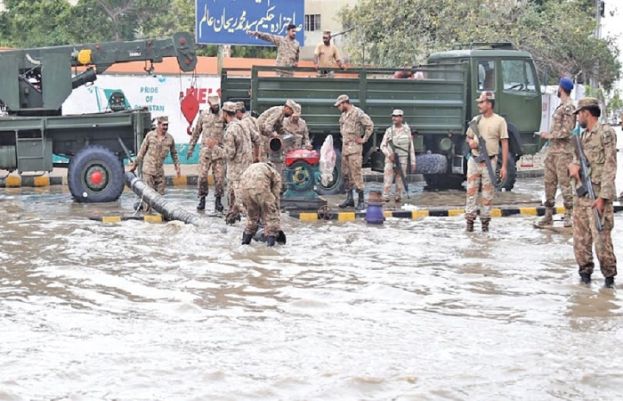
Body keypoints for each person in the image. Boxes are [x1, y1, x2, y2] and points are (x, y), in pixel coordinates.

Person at [568, 97, 617, 288]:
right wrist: (573, 167)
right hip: (581, 197)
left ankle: (609, 281)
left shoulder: (605, 133)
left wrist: (603, 197)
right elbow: (575, 160)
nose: (578, 117)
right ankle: (585, 278)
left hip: (598, 196)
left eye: (579, 113)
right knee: (580, 242)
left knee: (601, 242)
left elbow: (610, 166)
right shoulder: (581, 137)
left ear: (586, 113)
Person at [464, 91, 509, 232]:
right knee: (471, 193)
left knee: (487, 195)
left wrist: (504, 167)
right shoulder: (476, 120)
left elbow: (505, 143)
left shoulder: (500, 121)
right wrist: (471, 142)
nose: (479, 105)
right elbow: (468, 137)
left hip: (490, 161)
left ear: (489, 104)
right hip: (474, 161)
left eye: (482, 102)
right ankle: (469, 224)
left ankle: (485, 224)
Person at [535, 78, 576, 228]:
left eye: (558, 87)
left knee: (565, 184)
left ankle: (569, 215)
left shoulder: (569, 107)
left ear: (561, 88)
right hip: (553, 151)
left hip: (564, 153)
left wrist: (549, 135)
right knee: (549, 183)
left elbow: (567, 131)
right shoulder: (561, 106)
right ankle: (548, 215)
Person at [206, 102, 254, 224]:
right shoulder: (243, 125)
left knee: (241, 204)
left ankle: (255, 228)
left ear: (225, 113)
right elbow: (256, 139)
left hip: (236, 174)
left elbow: (229, 154)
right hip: (247, 169)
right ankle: (231, 227)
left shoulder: (230, 131)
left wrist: (214, 147)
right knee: (234, 205)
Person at [129, 116, 181, 212]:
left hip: (159, 171)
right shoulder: (150, 136)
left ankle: (159, 219)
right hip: (148, 170)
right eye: (163, 125)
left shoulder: (170, 139)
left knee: (160, 197)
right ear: (158, 125)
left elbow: (174, 153)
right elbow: (142, 152)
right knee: (148, 195)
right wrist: (134, 165)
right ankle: (147, 216)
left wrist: (177, 167)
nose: (165, 127)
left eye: (167, 125)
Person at [334, 94, 374, 209]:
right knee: (346, 174)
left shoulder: (357, 113)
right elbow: (342, 127)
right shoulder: (343, 115)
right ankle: (349, 198)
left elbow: (370, 125)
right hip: (345, 148)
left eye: (339, 105)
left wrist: (364, 139)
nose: (338, 107)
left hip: (355, 149)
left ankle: (361, 200)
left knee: (356, 173)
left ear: (345, 103)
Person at [186, 95, 225, 212]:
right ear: (209, 104)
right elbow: (196, 132)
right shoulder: (203, 115)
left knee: (219, 178)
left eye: (217, 106)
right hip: (205, 152)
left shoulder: (223, 115)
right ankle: (202, 199)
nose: (216, 107)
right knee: (202, 176)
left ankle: (218, 200)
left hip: (218, 152)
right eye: (214, 106)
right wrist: (191, 148)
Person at [239, 162, 283, 247]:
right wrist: (274, 210)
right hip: (260, 188)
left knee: (251, 219)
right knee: (272, 218)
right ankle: (270, 248)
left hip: (244, 189)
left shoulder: (252, 167)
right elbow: (275, 196)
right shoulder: (274, 172)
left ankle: (245, 243)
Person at [380, 109, 416, 203]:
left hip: (402, 159)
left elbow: (410, 147)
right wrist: (389, 154)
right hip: (390, 160)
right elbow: (382, 145)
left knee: (400, 180)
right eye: (393, 116)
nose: (394, 118)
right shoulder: (389, 131)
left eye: (397, 116)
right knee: (388, 180)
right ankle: (385, 197)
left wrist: (413, 162)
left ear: (401, 118)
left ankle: (398, 197)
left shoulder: (407, 130)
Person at [257, 99, 296, 163]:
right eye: (291, 112)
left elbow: (279, 127)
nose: (291, 115)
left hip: (263, 133)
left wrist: (286, 134)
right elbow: (267, 126)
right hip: (260, 133)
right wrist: (273, 133)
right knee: (262, 155)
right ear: (287, 108)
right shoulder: (278, 112)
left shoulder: (281, 114)